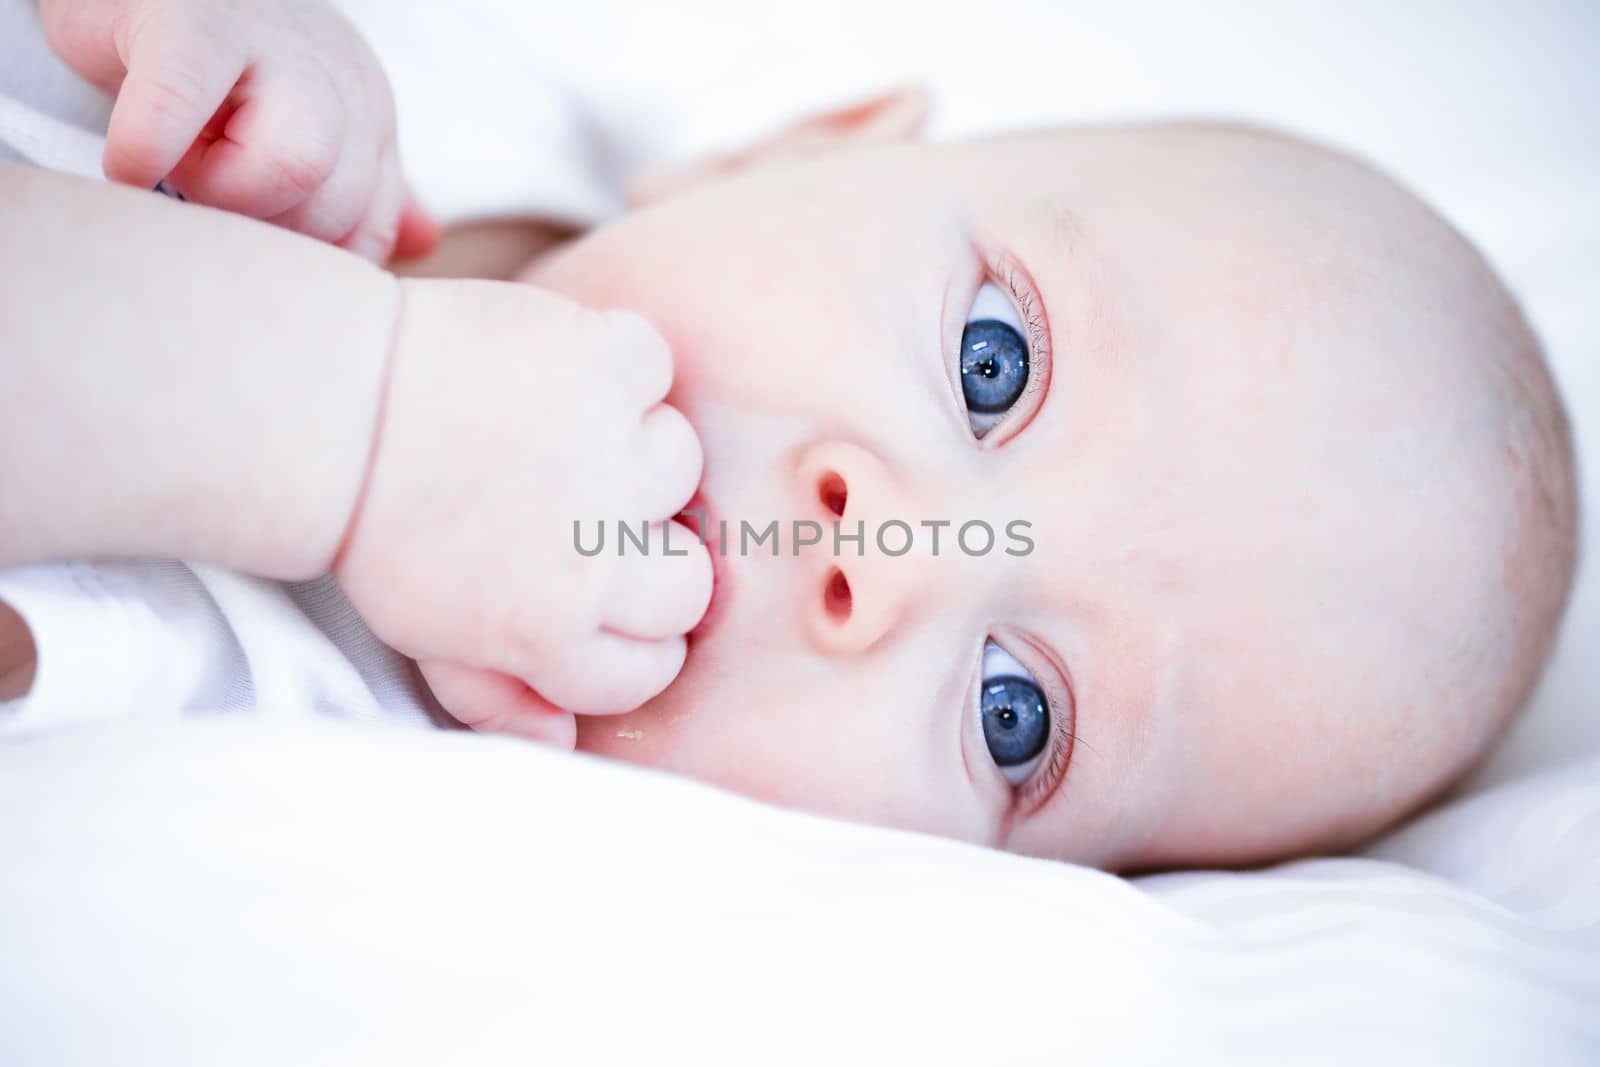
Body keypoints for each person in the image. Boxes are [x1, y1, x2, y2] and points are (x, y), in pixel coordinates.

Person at [0, 0, 1578, 871]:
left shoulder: (297, 770)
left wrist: (365, 428)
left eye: (1016, 715)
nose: (888, 555)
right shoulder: (429, 65)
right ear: (782, 151)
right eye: (990, 360)